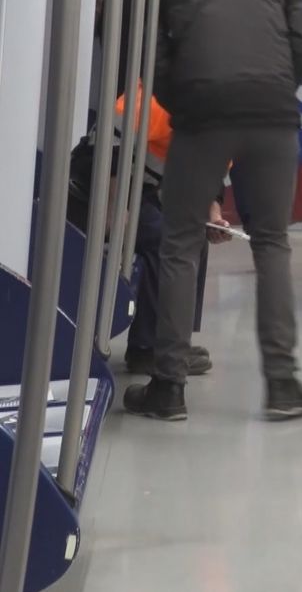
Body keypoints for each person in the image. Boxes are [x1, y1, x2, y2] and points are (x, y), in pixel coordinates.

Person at [123, 0, 302, 422]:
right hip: (274, 113)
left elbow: (147, 52)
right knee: (272, 242)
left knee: (181, 243)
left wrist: (183, 99)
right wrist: (279, 84)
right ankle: (282, 383)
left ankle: (169, 387)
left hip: (203, 115)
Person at [68, 85, 234, 376]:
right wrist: (116, 210)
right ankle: (149, 347)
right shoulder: (156, 96)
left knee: (195, 236)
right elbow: (109, 149)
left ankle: (174, 339)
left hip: (140, 193)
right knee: (166, 239)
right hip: (96, 190)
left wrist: (214, 218)